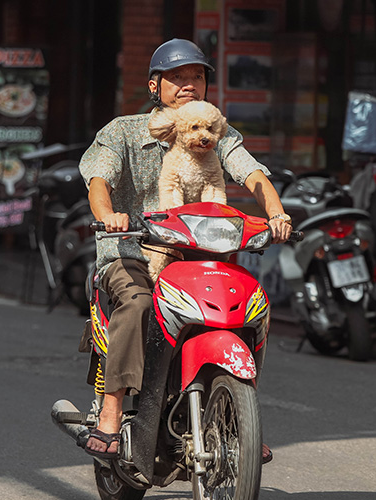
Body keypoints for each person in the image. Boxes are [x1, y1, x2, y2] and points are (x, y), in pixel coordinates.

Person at [79, 38, 292, 460]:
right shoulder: (123, 130)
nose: (188, 84)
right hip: (133, 253)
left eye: (196, 76)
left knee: (248, 302)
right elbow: (98, 179)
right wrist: (110, 215)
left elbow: (252, 174)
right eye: (177, 78)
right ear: (155, 87)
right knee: (139, 303)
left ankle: (238, 415)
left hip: (198, 256)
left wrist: (277, 213)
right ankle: (112, 408)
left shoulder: (216, 131)